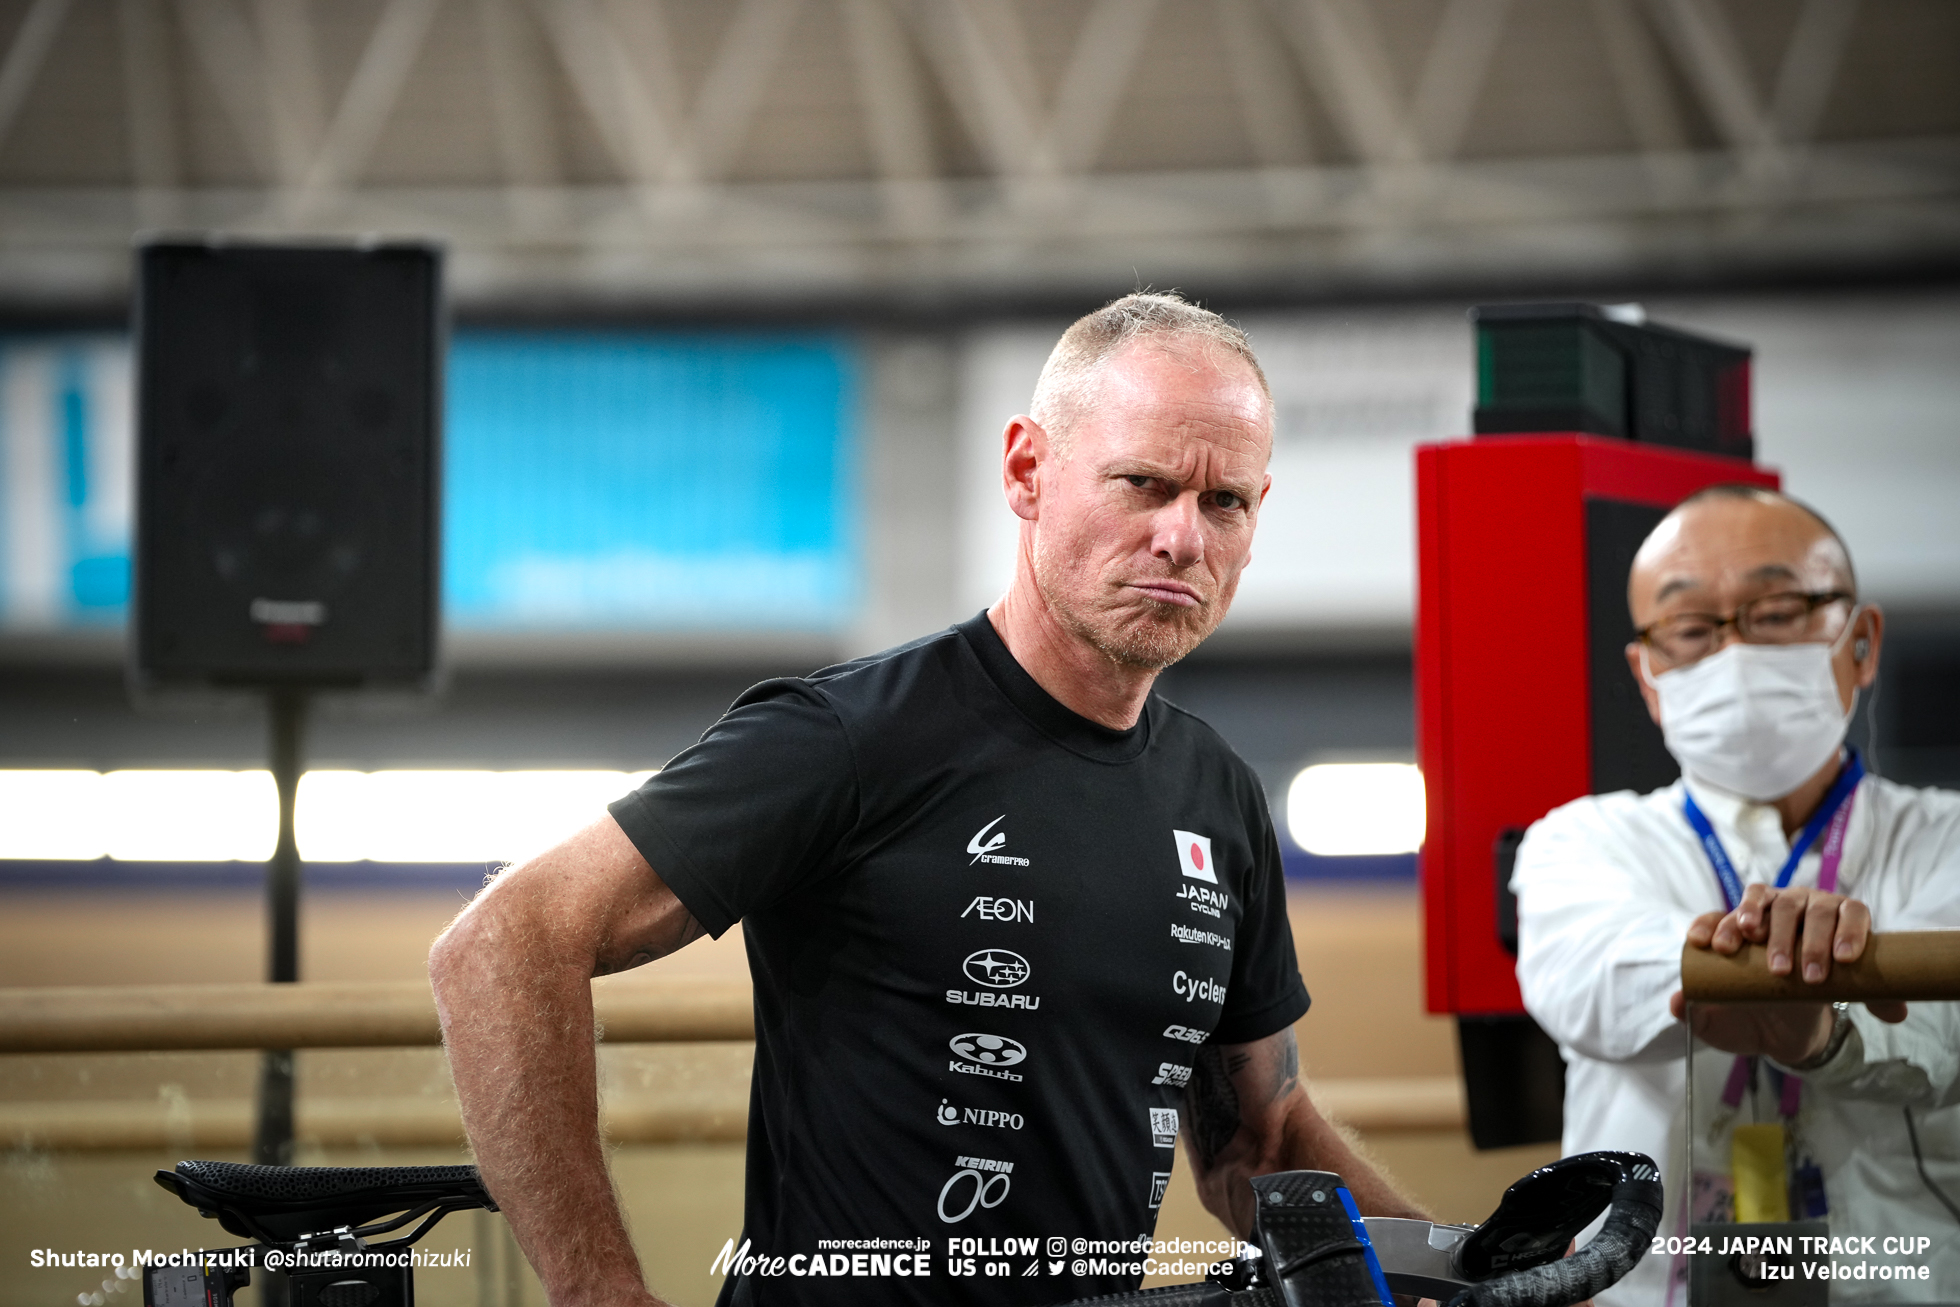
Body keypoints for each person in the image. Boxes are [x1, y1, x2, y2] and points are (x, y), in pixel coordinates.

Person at [429, 292, 1428, 1307]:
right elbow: (502, 942)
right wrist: (597, 1288)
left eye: (1226, 502)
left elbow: (1257, 1145)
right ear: (1027, 471)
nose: (1183, 537)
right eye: (1144, 484)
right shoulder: (851, 737)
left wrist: (1455, 1265)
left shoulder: (1215, 793)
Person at [1512, 485, 1960, 1307]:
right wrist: (1777, 969)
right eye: (1690, 628)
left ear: (1862, 642)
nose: (1734, 654)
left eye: (1778, 609)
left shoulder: (1948, 839)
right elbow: (1588, 990)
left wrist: (1818, 1029)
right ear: (1647, 675)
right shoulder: (1578, 842)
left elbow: (1945, 1040)